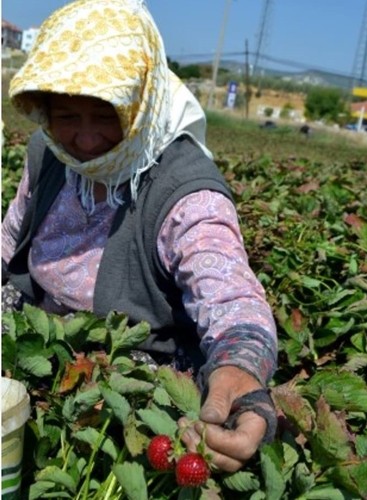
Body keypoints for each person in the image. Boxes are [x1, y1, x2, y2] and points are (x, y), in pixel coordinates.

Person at [1, 0, 277, 473]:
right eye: (68, 116)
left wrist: (240, 365)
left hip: (130, 365)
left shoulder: (184, 191)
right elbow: (8, 242)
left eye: (107, 116)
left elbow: (229, 292)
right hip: (39, 341)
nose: (85, 140)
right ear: (44, 111)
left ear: (142, 102)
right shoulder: (47, 154)